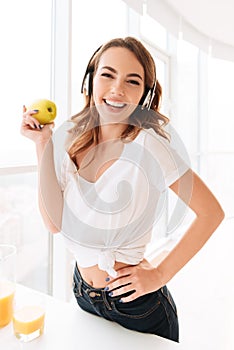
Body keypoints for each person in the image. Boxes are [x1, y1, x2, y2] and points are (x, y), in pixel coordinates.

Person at [21, 36, 224, 342]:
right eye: (107, 74)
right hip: (83, 292)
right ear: (90, 79)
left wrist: (159, 274)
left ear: (145, 94)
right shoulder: (71, 139)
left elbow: (212, 213)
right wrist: (43, 144)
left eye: (132, 81)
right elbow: (53, 222)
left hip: (137, 306)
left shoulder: (150, 147)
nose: (117, 89)